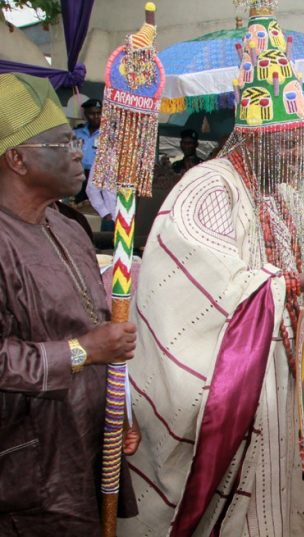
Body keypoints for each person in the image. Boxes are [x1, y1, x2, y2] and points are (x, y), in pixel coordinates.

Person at [121, 5, 304, 536]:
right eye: (280, 142)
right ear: (251, 135)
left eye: (296, 142)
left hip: (287, 371)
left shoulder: (282, 192)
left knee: (283, 486)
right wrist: (301, 283)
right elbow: (203, 287)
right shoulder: (206, 187)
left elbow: (303, 257)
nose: (290, 152)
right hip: (240, 375)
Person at [0, 73, 139, 534]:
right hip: (29, 464)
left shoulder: (67, 226)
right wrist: (83, 351)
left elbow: (99, 326)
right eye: (63, 143)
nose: (81, 150)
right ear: (17, 159)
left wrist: (120, 408)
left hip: (89, 441)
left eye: (78, 138)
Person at [73, 97, 102, 202]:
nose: (96, 117)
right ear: (85, 115)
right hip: (77, 174)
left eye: (99, 113)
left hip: (96, 177)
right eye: (92, 114)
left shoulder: (108, 135)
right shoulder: (76, 132)